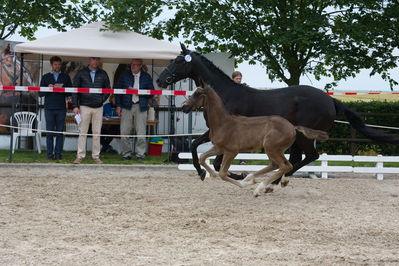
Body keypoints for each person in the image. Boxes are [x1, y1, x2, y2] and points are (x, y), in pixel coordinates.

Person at [72, 57, 110, 164]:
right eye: (93, 59)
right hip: (84, 106)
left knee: (97, 133)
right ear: (89, 60)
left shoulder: (103, 74)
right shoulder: (81, 73)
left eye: (97, 59)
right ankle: (80, 156)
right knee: (82, 132)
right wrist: (75, 106)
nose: (95, 61)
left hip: (98, 107)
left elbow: (108, 89)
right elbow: (75, 90)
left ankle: (96, 156)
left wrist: (101, 100)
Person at [115, 59, 154, 161]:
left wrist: (138, 92)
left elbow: (152, 92)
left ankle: (140, 154)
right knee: (124, 132)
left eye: (136, 65)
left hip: (141, 106)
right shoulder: (124, 75)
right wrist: (118, 106)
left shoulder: (146, 76)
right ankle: (126, 154)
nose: (134, 67)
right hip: (126, 105)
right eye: (132, 64)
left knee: (141, 132)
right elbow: (118, 91)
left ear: (141, 66)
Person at [39, 56, 72, 160]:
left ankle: (58, 153)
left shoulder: (65, 77)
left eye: (59, 64)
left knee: (60, 132)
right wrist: (48, 89)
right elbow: (40, 93)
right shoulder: (45, 77)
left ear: (60, 65)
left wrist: (62, 89)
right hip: (49, 108)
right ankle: (49, 154)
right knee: (49, 132)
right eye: (55, 64)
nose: (57, 66)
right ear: (51, 65)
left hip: (61, 107)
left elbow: (70, 92)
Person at [232, 70, 246, 165]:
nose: (239, 80)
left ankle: (243, 160)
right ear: (233, 79)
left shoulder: (243, 88)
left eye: (240, 79)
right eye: (237, 79)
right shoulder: (230, 89)